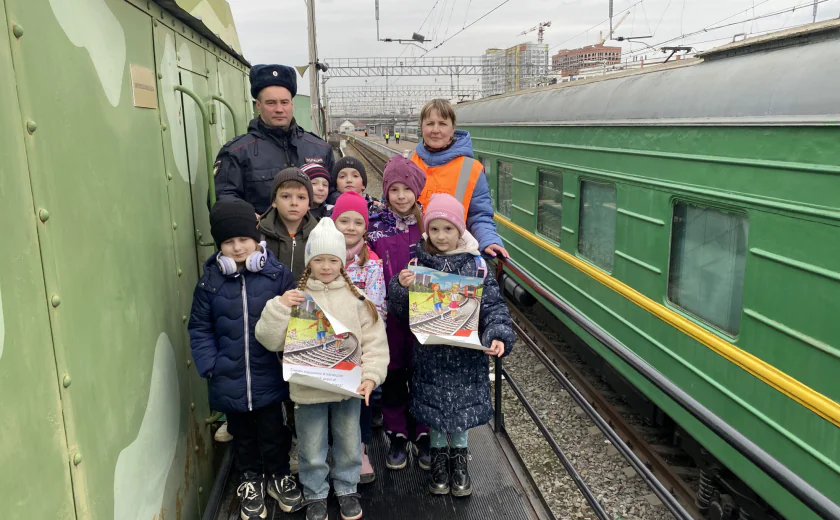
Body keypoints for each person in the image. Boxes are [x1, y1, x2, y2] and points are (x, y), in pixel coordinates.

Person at [255, 218, 389, 520]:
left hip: (348, 389)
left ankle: (347, 488)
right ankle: (315, 492)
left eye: (332, 259)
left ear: (342, 262)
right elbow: (268, 339)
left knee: (349, 442)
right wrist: (279, 307)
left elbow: (375, 343)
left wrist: (370, 376)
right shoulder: (296, 298)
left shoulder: (358, 300)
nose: (326, 266)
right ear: (309, 262)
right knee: (311, 445)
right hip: (308, 389)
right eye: (318, 260)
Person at [388, 194, 514, 497]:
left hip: (465, 358)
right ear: (426, 230)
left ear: (460, 230)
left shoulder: (477, 265)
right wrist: (401, 287)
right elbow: (401, 311)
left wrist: (497, 334)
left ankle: (459, 461)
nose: (441, 236)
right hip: (430, 357)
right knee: (434, 414)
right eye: (434, 229)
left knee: (461, 416)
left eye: (448, 229)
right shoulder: (417, 262)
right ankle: (439, 461)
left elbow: (493, 307)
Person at [188, 199, 303, 518]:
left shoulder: (277, 275)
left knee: (273, 430)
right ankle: (250, 479)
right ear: (220, 245)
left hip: (269, 374)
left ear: (256, 238)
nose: (237, 248)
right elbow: (199, 327)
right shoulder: (210, 282)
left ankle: (278, 475)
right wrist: (210, 365)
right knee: (242, 435)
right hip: (228, 377)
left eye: (243, 239)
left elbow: (296, 320)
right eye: (229, 242)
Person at [367, 155, 431, 471]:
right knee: (393, 376)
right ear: (386, 191)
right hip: (388, 321)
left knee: (422, 375)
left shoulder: (429, 226)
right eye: (394, 189)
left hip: (425, 318)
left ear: (417, 191)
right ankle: (397, 434)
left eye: (407, 189)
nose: (401, 196)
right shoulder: (374, 227)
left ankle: (423, 432)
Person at [214, 64, 336, 215]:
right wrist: (248, 218)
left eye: (284, 102)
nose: (279, 109)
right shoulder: (237, 153)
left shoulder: (320, 148)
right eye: (271, 103)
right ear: (258, 105)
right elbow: (223, 198)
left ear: (291, 104)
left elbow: (333, 193)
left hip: (315, 230)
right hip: (262, 230)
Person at [332, 191, 387, 484]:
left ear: (366, 227)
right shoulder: (322, 258)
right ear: (333, 223)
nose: (350, 227)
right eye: (344, 221)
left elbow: (377, 309)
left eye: (357, 222)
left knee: (360, 401)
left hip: (359, 345)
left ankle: (361, 448)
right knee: (330, 400)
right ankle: (333, 449)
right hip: (328, 344)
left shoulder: (372, 264)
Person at [410, 99, 509, 259]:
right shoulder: (408, 163)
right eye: (430, 124)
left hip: (454, 259)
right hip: (411, 256)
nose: (435, 130)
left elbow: (479, 215)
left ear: (453, 128)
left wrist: (489, 240)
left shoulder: (471, 169)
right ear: (421, 127)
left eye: (442, 124)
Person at [259, 167, 318, 279]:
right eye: (286, 196)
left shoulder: (318, 235)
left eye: (301, 197)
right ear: (274, 201)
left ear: (309, 204)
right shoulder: (260, 234)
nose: (294, 203)